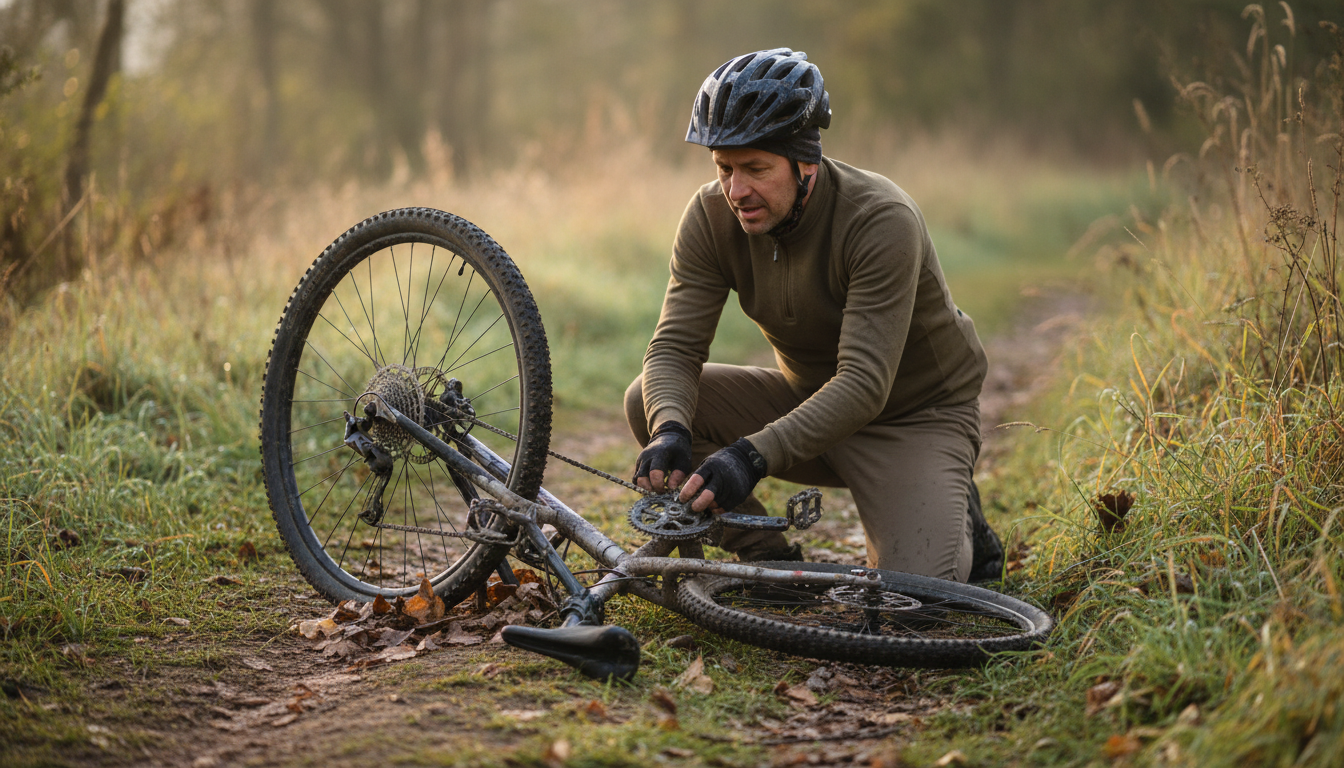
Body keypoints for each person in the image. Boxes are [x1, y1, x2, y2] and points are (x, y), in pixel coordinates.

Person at [625, 48, 1002, 582]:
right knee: (650, 398)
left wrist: (749, 458)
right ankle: (766, 558)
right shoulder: (710, 216)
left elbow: (865, 383)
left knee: (918, 597)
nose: (736, 190)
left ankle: (958, 507)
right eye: (724, 168)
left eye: (756, 168)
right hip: (810, 403)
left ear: (807, 163)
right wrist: (669, 432)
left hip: (913, 417)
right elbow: (674, 348)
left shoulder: (880, 219)